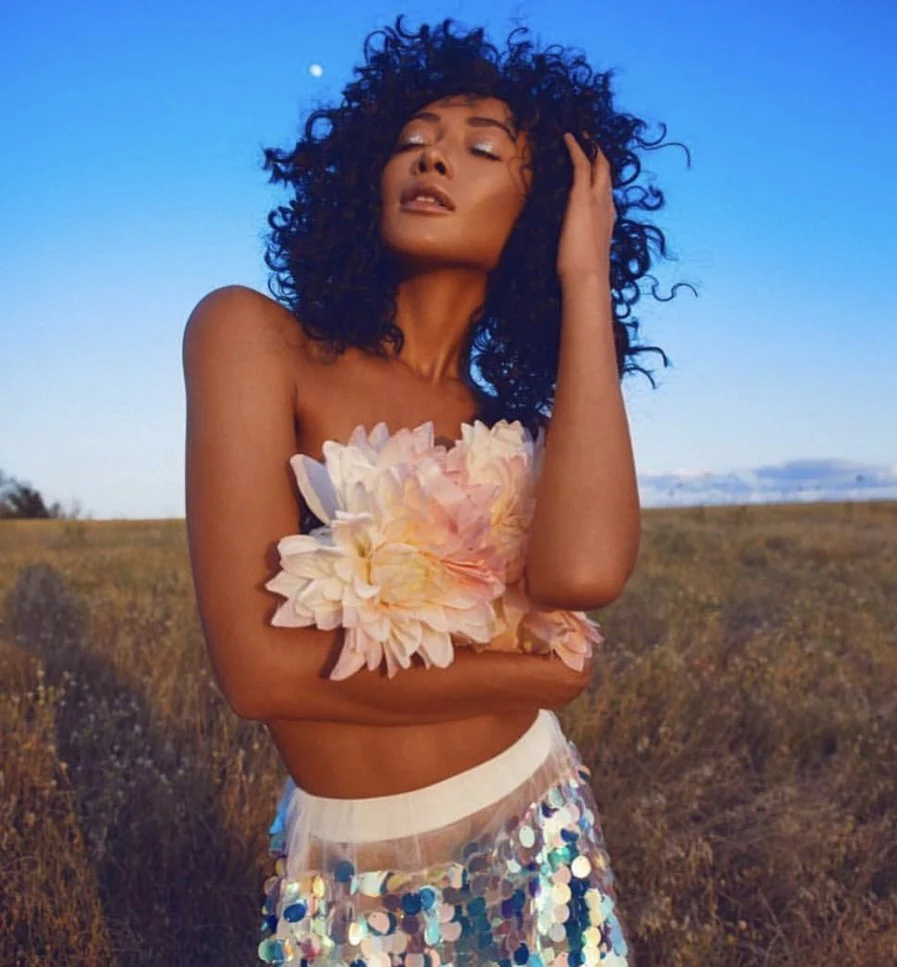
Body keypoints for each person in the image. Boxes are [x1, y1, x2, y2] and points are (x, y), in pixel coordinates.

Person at [183, 16, 680, 966]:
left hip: (538, 834)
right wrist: (524, 675)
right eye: (413, 138)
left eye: (481, 149)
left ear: (538, 210)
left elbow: (583, 573)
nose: (434, 158)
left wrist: (584, 275)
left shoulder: (511, 426)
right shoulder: (257, 340)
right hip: (350, 882)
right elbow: (258, 673)